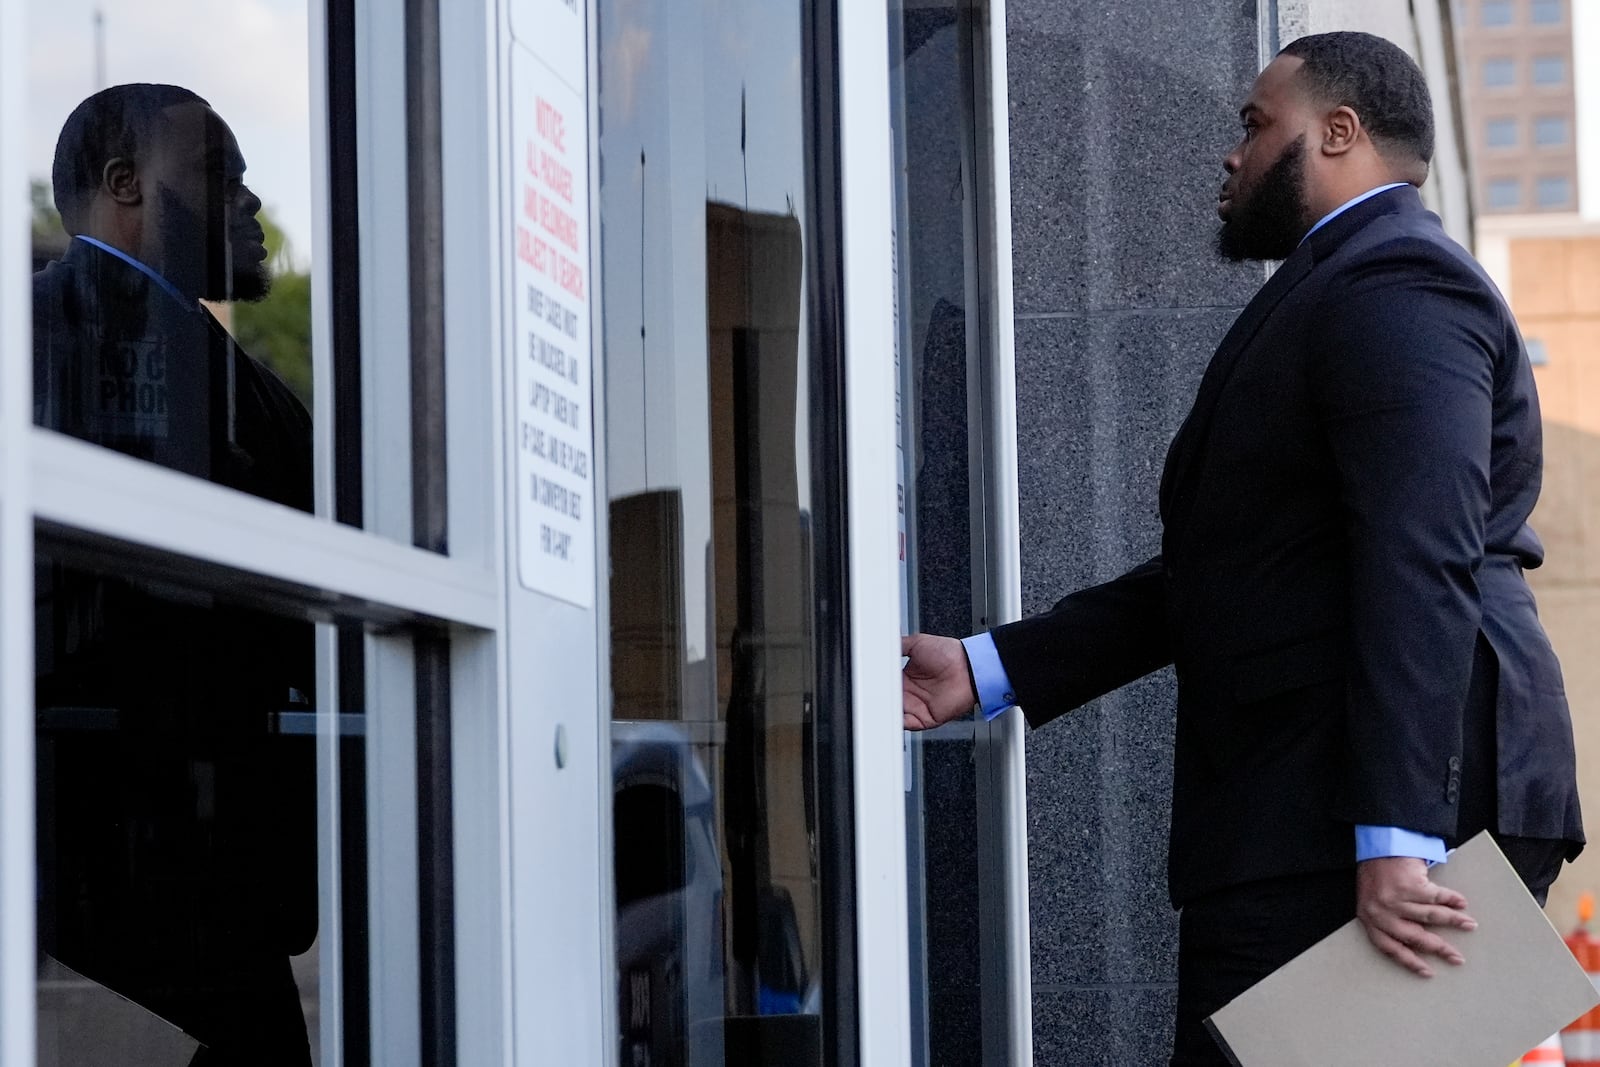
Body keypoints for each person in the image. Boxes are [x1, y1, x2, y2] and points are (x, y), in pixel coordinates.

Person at [901, 32, 1584, 1066]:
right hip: (1313, 804)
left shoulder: (1398, 279)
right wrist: (988, 666)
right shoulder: (1342, 285)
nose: (1232, 153)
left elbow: (1420, 552)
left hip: (1371, 810)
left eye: (1256, 125)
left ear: (1339, 132)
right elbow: (1228, 573)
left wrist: (1398, 839)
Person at [33, 84, 316, 1065]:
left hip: (169, 823)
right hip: (125, 818)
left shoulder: (217, 372)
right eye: (218, 174)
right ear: (126, 187)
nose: (249, 204)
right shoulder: (53, 340)